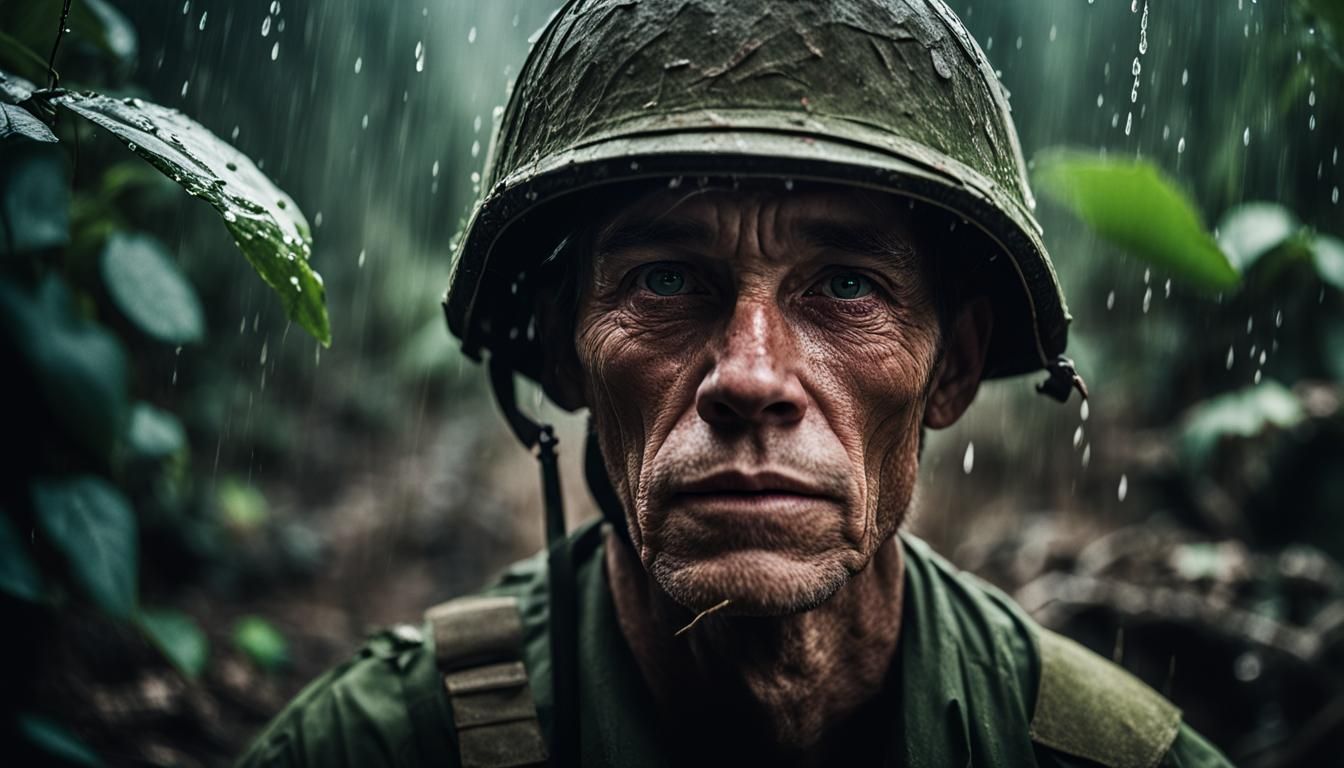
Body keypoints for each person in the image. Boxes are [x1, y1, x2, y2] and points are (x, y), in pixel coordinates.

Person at [238, 1, 1234, 766]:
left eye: (846, 286)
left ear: (955, 366)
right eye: (666, 281)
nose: (750, 377)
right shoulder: (381, 745)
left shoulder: (1098, 756)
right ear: (558, 350)